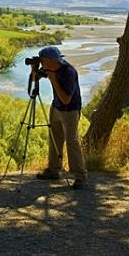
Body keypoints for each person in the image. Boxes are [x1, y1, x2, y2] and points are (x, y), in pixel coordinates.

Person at [34, 46, 88, 189]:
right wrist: (36, 74)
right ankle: (54, 170)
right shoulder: (51, 68)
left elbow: (66, 99)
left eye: (42, 61)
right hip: (56, 108)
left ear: (50, 61)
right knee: (54, 138)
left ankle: (80, 176)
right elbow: (40, 75)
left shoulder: (69, 72)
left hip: (70, 110)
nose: (42, 64)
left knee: (72, 142)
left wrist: (53, 80)